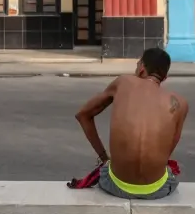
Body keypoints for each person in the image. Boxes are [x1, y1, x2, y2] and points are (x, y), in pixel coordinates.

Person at [70, 47, 188, 200]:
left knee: (110, 170)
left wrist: (104, 158)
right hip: (157, 190)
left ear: (141, 69)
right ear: (164, 78)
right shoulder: (180, 103)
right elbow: (167, 152)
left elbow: (83, 115)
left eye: (137, 64)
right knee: (169, 172)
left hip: (114, 185)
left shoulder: (123, 82)